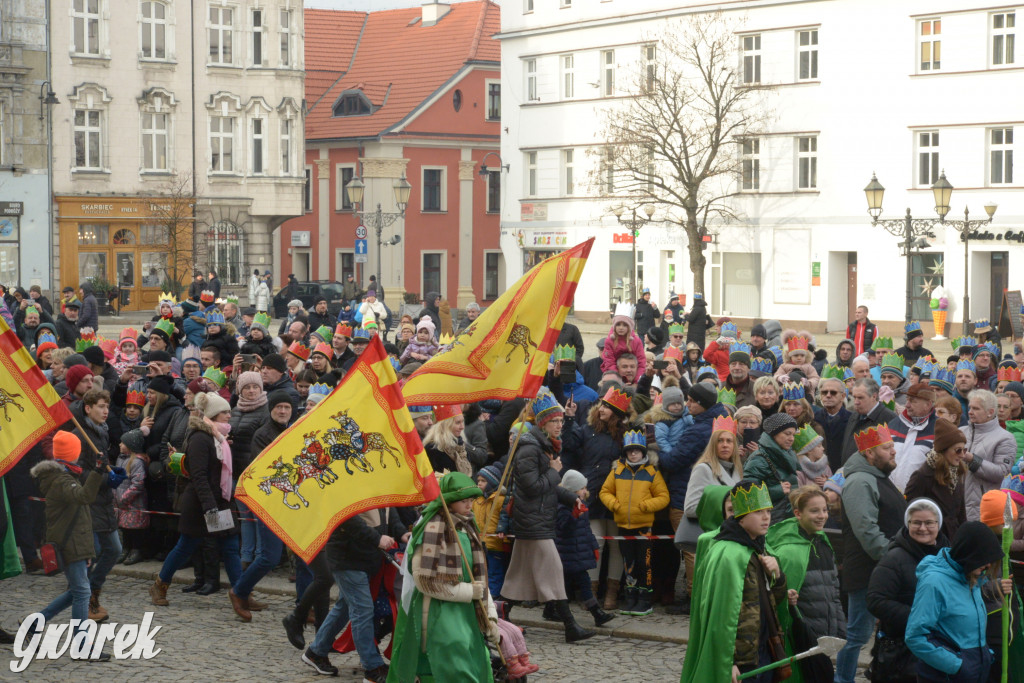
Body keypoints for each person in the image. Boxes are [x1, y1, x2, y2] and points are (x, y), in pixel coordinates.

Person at [501, 389, 595, 642]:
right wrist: (554, 471)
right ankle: (570, 627)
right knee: (553, 571)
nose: (559, 425)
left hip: (536, 520)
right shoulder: (529, 450)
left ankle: (497, 617)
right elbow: (532, 487)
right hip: (533, 522)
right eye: (554, 421)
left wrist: (571, 497)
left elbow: (550, 487)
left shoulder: (544, 447)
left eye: (561, 421)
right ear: (542, 423)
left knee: (518, 577)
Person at [148, 392, 249, 621]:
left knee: (231, 546)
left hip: (220, 501)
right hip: (203, 505)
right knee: (186, 546)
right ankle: (160, 585)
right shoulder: (200, 438)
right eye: (225, 412)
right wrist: (210, 508)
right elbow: (199, 476)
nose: (229, 415)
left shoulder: (218, 437)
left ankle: (241, 593)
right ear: (213, 414)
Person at [386, 472, 494, 682]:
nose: (469, 505)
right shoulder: (432, 529)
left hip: (467, 613)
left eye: (471, 500)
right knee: (454, 665)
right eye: (464, 501)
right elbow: (423, 580)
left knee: (474, 661)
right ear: (450, 501)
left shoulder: (469, 529)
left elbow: (480, 579)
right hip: (439, 611)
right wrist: (467, 592)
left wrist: (490, 616)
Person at [680, 480, 788, 683]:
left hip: (764, 651)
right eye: (757, 512)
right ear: (740, 516)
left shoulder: (760, 546)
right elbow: (719, 617)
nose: (766, 518)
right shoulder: (727, 554)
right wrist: (728, 662)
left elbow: (770, 601)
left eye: (768, 511)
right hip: (741, 660)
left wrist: (778, 576)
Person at [29, 431, 111, 661]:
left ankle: (34, 624)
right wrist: (96, 472)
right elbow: (84, 497)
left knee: (76, 591)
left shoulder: (63, 476)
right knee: (82, 591)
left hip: (74, 542)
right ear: (73, 454)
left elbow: (79, 513)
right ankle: (82, 645)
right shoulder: (61, 480)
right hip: (69, 543)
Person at [836, 424, 908, 683]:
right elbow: (867, 531)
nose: (893, 453)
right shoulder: (859, 481)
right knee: (857, 634)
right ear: (869, 453)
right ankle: (842, 679)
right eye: (887, 448)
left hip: (884, 569)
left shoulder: (876, 476)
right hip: (868, 571)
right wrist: (895, 560)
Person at [905, 521, 1005, 683]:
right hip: (946, 677)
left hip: (972, 674)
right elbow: (915, 636)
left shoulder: (972, 579)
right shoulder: (934, 583)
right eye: (983, 558)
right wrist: (957, 665)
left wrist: (985, 656)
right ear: (969, 554)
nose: (988, 565)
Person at [562, 386, 633, 608]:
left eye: (607, 406)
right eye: (601, 404)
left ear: (617, 413)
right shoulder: (587, 429)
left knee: (617, 546)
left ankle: (611, 593)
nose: (601, 409)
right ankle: (590, 593)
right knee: (596, 544)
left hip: (616, 496)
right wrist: (569, 419)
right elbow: (569, 444)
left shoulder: (625, 435)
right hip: (591, 493)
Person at [866, 497, 950, 683]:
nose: (922, 528)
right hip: (902, 651)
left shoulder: (947, 555)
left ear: (938, 524)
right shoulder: (894, 558)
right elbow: (876, 600)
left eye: (929, 523)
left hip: (939, 646)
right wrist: (919, 618)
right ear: (907, 524)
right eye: (916, 523)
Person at [768, 486, 846, 679]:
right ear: (798, 513)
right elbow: (782, 606)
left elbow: (833, 589)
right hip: (801, 639)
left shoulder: (822, 541)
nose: (822, 516)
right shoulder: (789, 552)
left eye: (825, 510)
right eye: (814, 511)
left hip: (822, 636)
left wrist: (839, 627)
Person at [599, 429, 669, 616]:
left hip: (644, 527)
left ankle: (645, 598)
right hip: (623, 525)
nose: (633, 454)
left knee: (643, 563)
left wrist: (647, 505)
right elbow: (605, 492)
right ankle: (630, 596)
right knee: (628, 562)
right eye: (630, 451)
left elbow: (663, 497)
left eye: (637, 451)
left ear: (643, 453)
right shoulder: (617, 471)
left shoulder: (652, 472)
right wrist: (614, 504)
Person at [551, 468, 615, 627]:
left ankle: (551, 609)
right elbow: (563, 528)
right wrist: (573, 516)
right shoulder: (563, 506)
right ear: (572, 490)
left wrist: (593, 546)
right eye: (582, 488)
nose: (585, 491)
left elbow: (586, 530)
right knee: (574, 584)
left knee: (568, 584)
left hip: (577, 552)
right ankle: (596, 613)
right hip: (567, 553)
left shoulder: (582, 505)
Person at [905, 419, 967, 541]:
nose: (962, 455)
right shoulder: (922, 477)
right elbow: (909, 514)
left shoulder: (956, 474)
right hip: (930, 544)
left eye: (964, 450)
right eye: (958, 450)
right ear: (944, 449)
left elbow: (961, 515)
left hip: (953, 543)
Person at [962, 389, 1016, 521]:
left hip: (983, 507)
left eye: (976, 408)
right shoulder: (960, 432)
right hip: (956, 506)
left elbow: (1002, 472)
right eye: (970, 407)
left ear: (990, 412)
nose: (970, 412)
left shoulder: (1005, 438)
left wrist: (972, 460)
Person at [744, 412, 801, 520]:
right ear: (774, 433)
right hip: (770, 522)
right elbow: (749, 493)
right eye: (787, 433)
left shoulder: (787, 455)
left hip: (787, 519)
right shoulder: (759, 459)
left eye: (793, 434)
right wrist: (778, 490)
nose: (791, 438)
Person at [841, 377, 897, 464]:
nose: (856, 402)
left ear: (874, 396)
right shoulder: (853, 416)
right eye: (854, 397)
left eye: (860, 398)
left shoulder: (890, 419)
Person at [424, 404, 477, 475]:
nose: (462, 427)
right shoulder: (432, 448)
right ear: (446, 425)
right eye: (458, 422)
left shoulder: (461, 446)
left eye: (462, 422)